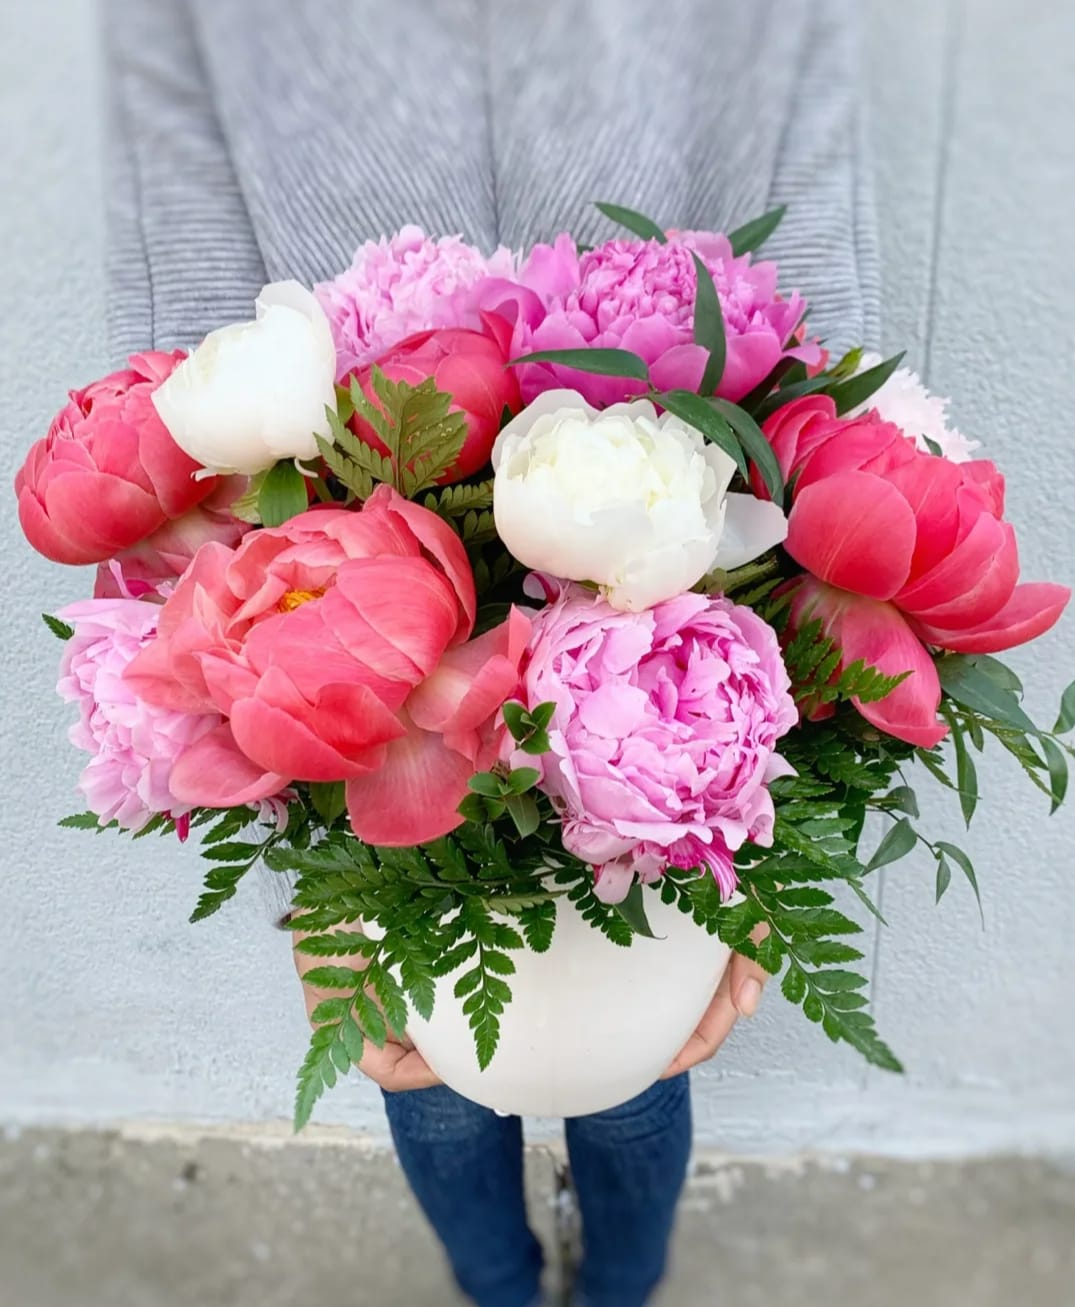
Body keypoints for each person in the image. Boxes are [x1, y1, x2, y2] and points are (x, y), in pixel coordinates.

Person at [103, 2, 875, 1304]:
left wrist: (749, 796)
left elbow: (827, 380)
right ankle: (497, 1287)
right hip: (340, 651)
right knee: (428, 1068)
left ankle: (620, 1284)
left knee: (637, 1064)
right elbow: (176, 398)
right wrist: (282, 810)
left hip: (679, 647)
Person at [294, 926, 770, 1307]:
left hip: (645, 891)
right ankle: (505, 1294)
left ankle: (615, 1294)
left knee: (629, 1091)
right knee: (441, 1090)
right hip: (416, 892)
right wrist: (320, 893)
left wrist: (754, 842)